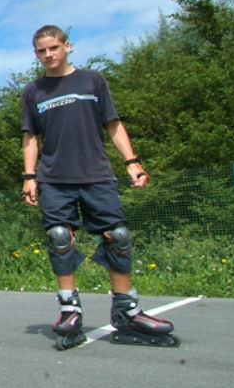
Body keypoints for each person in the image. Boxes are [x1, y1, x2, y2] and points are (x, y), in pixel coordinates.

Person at [21, 25, 178, 349]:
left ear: (67, 46)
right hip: (54, 178)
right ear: (36, 54)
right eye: (41, 51)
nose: (48, 55)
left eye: (53, 48)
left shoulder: (92, 80)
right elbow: (30, 137)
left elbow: (113, 124)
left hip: (97, 174)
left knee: (117, 237)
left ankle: (126, 310)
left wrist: (132, 161)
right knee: (59, 237)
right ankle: (69, 309)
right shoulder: (33, 91)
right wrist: (29, 176)